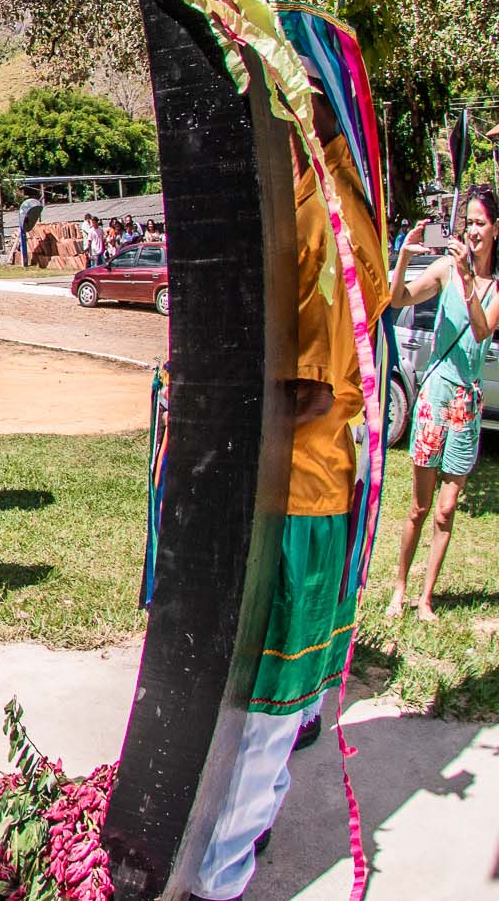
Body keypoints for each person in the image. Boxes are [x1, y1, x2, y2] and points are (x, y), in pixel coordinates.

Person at [189, 69, 390, 901]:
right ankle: (227, 850)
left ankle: (220, 874)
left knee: (266, 703)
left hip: (298, 491)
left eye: (278, 83)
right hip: (286, 487)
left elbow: (310, 387)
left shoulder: (328, 212)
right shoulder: (308, 188)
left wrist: (214, 398)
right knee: (256, 697)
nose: (261, 99)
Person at [384, 182, 497, 622]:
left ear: (496, 229)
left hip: (466, 404)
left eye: (480, 223)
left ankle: (426, 599)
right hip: (435, 394)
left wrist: (471, 281)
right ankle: (399, 588)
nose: (472, 231)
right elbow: (399, 299)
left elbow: (483, 329)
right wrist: (406, 258)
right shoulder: (448, 270)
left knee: (447, 511)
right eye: (468, 222)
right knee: (419, 505)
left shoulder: (492, 286)